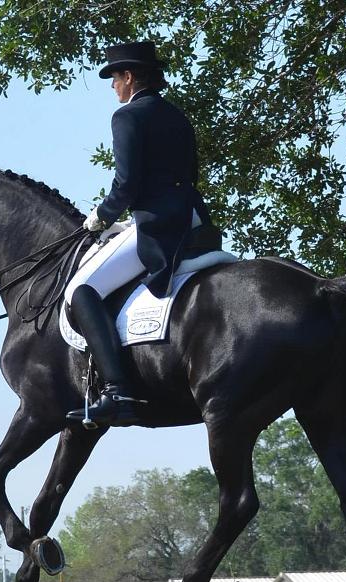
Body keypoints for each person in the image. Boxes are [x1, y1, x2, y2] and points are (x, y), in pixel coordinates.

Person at [66, 40, 212, 429]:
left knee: (82, 290)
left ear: (128, 77)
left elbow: (127, 184)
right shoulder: (176, 115)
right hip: (195, 220)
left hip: (158, 226)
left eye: (114, 78)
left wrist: (100, 216)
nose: (113, 87)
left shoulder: (127, 117)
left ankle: (119, 391)